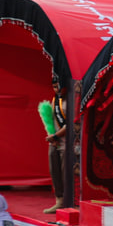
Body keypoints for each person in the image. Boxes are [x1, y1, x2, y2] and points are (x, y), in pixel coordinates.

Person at [44, 75, 68, 213]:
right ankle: (59, 201)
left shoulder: (71, 100)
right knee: (55, 170)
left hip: (67, 142)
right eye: (54, 86)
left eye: (58, 86)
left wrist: (55, 136)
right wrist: (51, 136)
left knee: (66, 172)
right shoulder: (55, 100)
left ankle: (68, 201)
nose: (56, 89)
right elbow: (51, 120)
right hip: (55, 142)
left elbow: (70, 124)